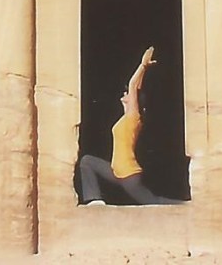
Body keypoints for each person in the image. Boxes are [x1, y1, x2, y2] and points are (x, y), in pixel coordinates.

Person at [79, 46, 184, 206]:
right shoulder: (126, 118)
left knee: (152, 201)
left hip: (128, 174)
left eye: (128, 93)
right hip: (117, 172)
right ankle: (95, 199)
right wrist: (140, 77)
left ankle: (184, 205)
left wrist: (143, 66)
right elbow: (136, 88)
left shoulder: (133, 117)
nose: (125, 93)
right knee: (87, 161)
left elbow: (133, 85)